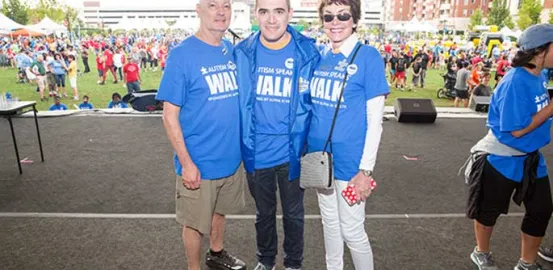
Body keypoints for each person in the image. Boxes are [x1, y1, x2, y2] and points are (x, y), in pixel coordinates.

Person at [156, 1, 246, 270]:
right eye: (212, 4)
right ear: (198, 9)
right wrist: (186, 163)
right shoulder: (182, 55)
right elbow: (169, 114)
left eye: (226, 5)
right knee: (194, 223)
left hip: (230, 159)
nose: (220, 11)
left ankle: (216, 254)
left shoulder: (231, 50)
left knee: (220, 211)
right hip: (199, 162)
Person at [234, 0, 319, 269]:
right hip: (256, 151)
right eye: (264, 11)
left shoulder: (308, 52)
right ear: (256, 14)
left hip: (292, 153)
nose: (272, 19)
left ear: (290, 14)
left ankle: (294, 263)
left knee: (294, 215)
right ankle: (266, 260)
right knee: (264, 215)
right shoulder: (242, 52)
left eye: (279, 11)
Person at [307, 0, 389, 269]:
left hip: (352, 164)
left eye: (343, 15)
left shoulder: (368, 56)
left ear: (354, 19)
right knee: (329, 224)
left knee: (352, 231)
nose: (335, 22)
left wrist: (365, 170)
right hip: (321, 160)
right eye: (328, 16)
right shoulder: (321, 56)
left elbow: (375, 121)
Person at [466, 24, 553, 270]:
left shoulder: (540, 75)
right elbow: (516, 129)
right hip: (502, 158)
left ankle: (526, 263)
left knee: (541, 210)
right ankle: (481, 252)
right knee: (489, 211)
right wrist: (550, 109)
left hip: (531, 158)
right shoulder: (515, 81)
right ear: (540, 51)